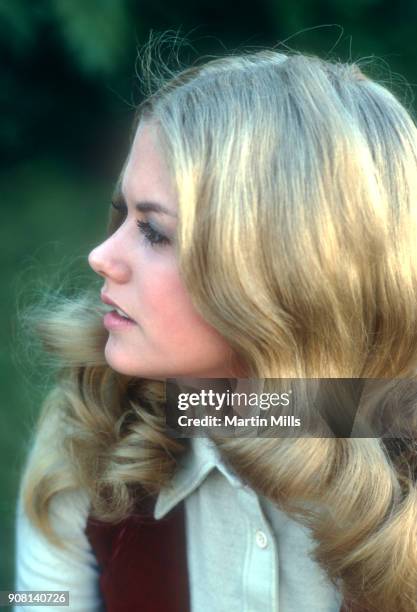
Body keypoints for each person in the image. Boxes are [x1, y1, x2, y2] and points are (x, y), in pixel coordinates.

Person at [15, 44, 417, 612]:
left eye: (155, 232)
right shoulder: (93, 416)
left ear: (290, 269)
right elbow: (36, 598)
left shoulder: (402, 457)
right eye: (122, 214)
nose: (102, 255)